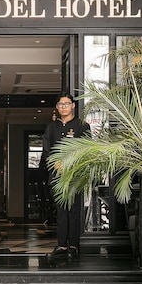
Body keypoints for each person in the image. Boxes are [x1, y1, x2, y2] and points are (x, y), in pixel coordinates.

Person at [41, 95, 91, 259]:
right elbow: (46, 150)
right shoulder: (51, 127)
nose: (63, 107)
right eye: (60, 104)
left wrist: (70, 164)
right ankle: (62, 245)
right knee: (61, 212)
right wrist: (55, 163)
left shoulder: (82, 126)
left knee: (74, 211)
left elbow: (86, 150)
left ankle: (74, 245)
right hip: (57, 176)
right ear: (57, 107)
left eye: (66, 104)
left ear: (73, 106)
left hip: (75, 176)